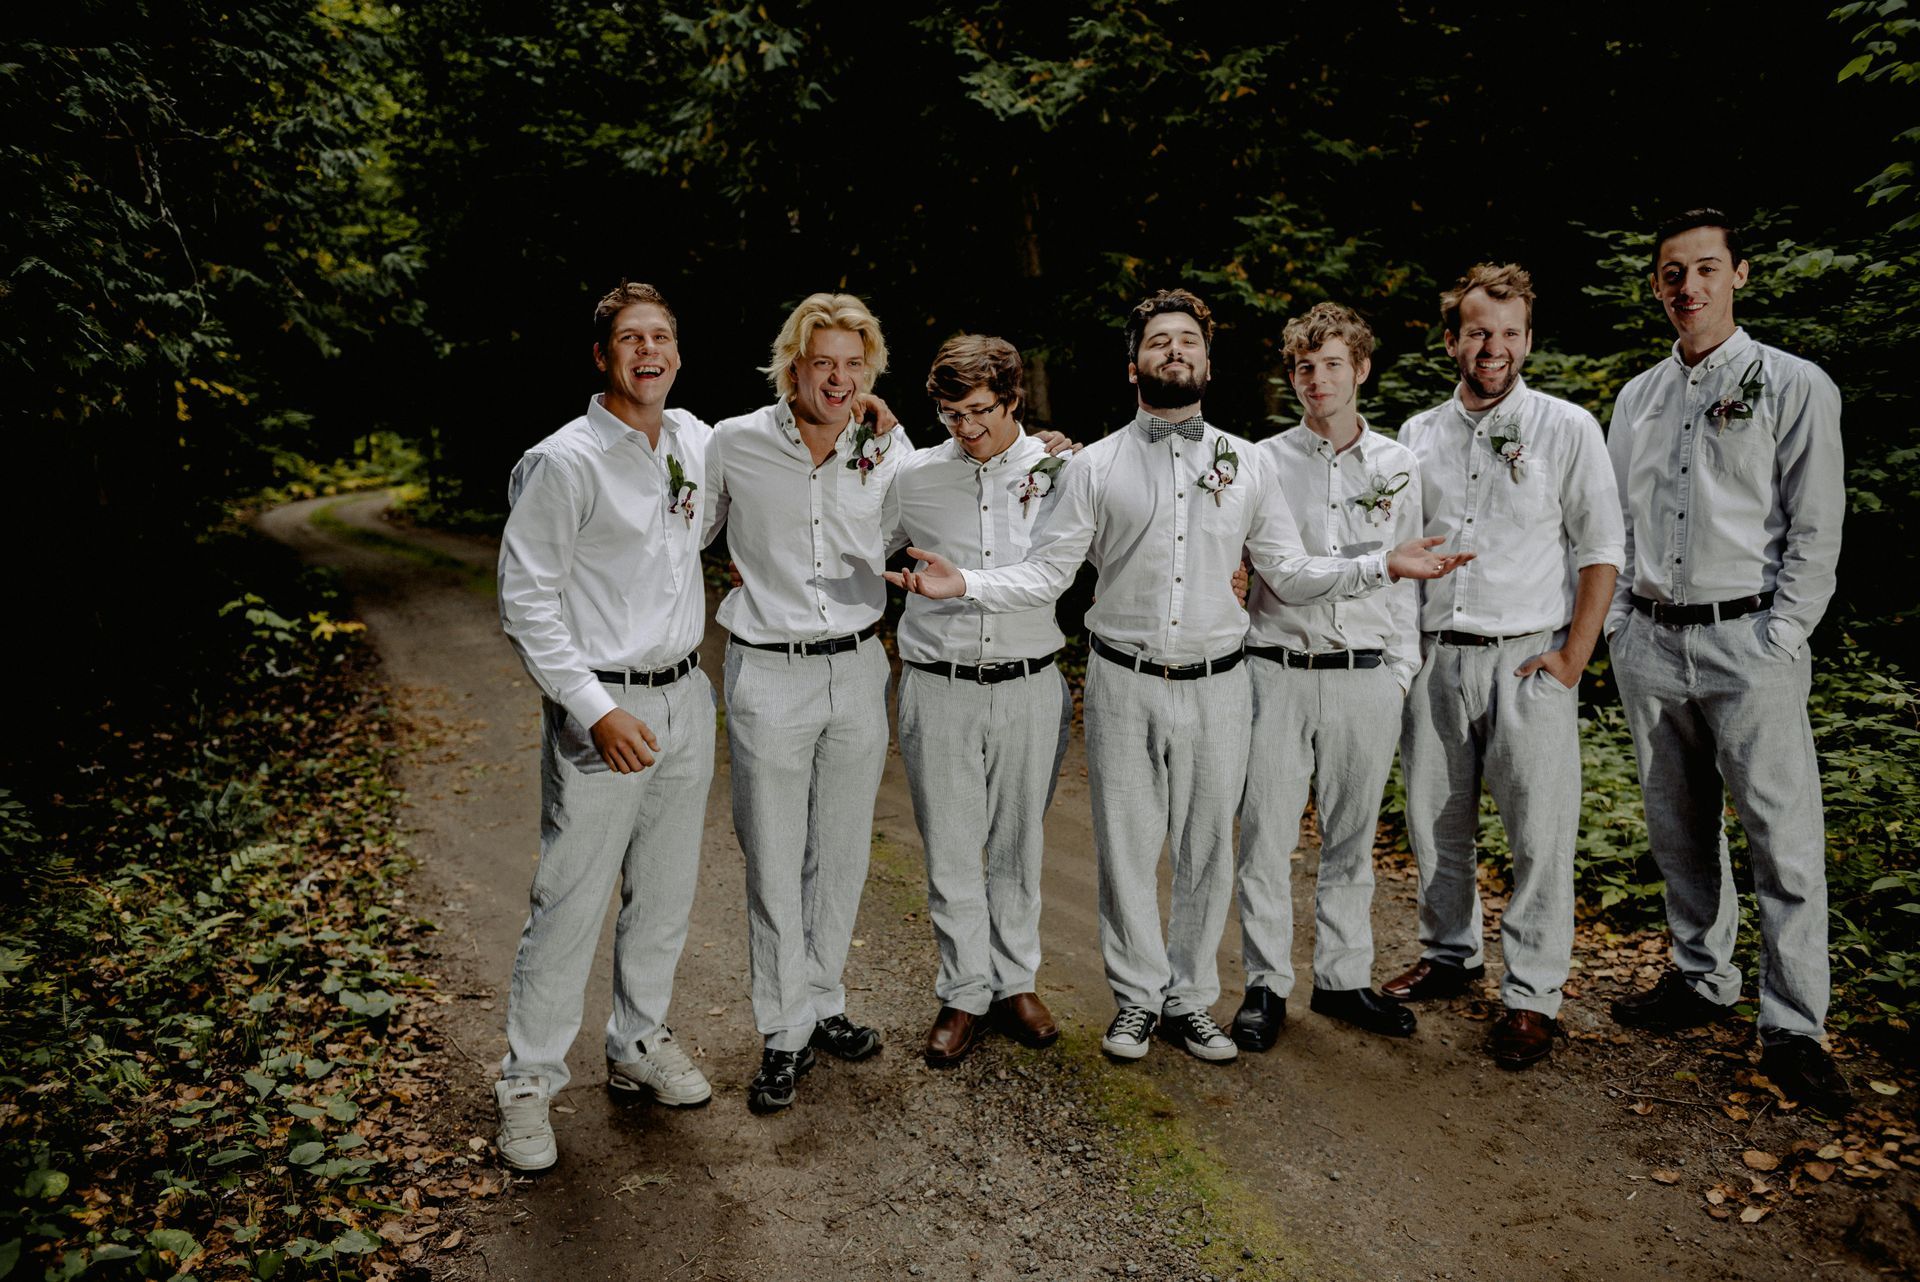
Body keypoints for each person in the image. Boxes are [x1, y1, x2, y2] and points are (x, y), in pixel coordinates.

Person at [888, 288, 1468, 1065]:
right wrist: (964, 585)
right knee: (1127, 848)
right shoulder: (1090, 467)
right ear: (1134, 366)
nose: (1174, 351)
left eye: (1188, 341)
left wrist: (1378, 565)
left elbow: (1288, 574)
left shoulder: (1249, 462)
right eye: (1160, 342)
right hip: (1123, 678)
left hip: (1221, 681)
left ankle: (1190, 1002)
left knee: (1207, 850)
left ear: (1206, 362)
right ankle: (1134, 1001)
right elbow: (1046, 573)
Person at [1603, 209, 1849, 1111]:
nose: (1689, 288)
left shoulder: (1793, 385)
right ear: (1658, 286)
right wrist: (1624, 624)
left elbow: (1816, 526)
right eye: (1672, 273)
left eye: (1706, 269)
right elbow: (1619, 527)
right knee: (1679, 829)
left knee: (1783, 841)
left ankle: (1793, 1025)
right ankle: (1701, 978)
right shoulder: (1637, 398)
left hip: (1750, 640)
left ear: (1739, 274)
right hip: (1655, 641)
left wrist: (1782, 634)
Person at [493, 282, 717, 1171]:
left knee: (662, 895)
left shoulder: (700, 443)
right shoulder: (564, 462)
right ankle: (526, 1086)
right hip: (604, 708)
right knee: (570, 900)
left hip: (687, 698)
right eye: (631, 339)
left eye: (662, 336)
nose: (649, 351)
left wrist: (873, 420)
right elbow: (526, 602)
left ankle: (638, 1045)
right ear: (602, 356)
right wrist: (594, 708)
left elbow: (794, 452)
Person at [1382, 263, 1624, 1071]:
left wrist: (1572, 660)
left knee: (1539, 836)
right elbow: (1393, 547)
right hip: (1439, 660)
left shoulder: (1566, 428)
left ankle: (1531, 996)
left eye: (1511, 333)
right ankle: (1450, 955)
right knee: (1435, 826)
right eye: (1480, 331)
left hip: (1530, 662)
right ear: (1452, 338)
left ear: (1528, 340)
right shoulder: (1416, 438)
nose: (1496, 347)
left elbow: (1600, 551)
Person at [704, 293, 910, 1113]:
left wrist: (1039, 458)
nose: (839, 377)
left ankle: (823, 1001)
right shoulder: (734, 443)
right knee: (775, 856)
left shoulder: (887, 448)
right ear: (794, 364)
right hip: (769, 671)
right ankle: (781, 1030)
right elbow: (685, 533)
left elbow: (936, 522)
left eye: (855, 364)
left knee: (842, 850)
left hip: (860, 666)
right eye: (824, 361)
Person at [1230, 302, 1424, 1051]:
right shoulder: (1262, 461)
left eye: (1332, 364)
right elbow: (1258, 568)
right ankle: (1265, 984)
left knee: (1351, 838)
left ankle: (1343, 979)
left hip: (1366, 676)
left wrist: (1400, 673)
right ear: (1293, 377)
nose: (1317, 379)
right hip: (1277, 669)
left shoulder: (1400, 464)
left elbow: (1409, 577)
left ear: (1361, 370)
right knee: (1267, 838)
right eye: (1304, 367)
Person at [884, 335, 1074, 1066]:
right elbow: (858, 541)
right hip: (939, 684)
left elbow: (1057, 573)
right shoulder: (915, 477)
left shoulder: (1060, 469)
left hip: (1030, 681)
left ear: (1014, 400)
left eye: (981, 412)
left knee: (1019, 839)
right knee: (953, 846)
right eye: (951, 414)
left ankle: (1015, 983)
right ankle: (964, 990)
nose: (966, 429)